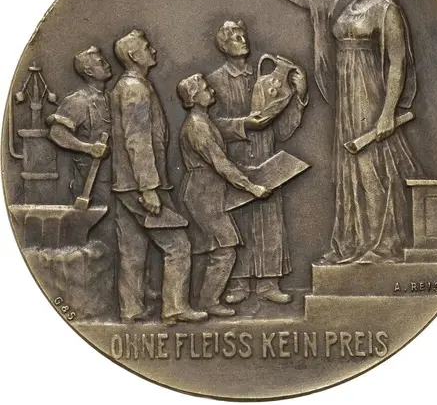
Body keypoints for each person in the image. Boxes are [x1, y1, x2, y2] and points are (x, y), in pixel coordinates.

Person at [240, 0, 421, 264]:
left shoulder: (386, 10)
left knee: (371, 165)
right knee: (351, 167)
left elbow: (397, 64)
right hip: (347, 99)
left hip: (370, 96)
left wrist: (387, 113)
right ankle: (352, 242)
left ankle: (383, 244)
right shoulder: (343, 7)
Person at [206, 20, 308, 304]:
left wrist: (299, 97)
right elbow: (209, 125)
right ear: (223, 46)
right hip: (234, 160)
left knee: (269, 220)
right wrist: (243, 125)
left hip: (267, 157)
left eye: (243, 35)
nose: (242, 40)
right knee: (238, 221)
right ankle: (238, 283)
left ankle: (268, 284)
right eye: (235, 38)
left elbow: (283, 131)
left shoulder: (266, 79)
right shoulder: (214, 81)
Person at [110, 29, 207, 324]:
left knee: (132, 249)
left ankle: (131, 309)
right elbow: (137, 140)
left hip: (125, 184)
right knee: (178, 245)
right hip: (140, 185)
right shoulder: (135, 89)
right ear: (132, 55)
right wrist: (149, 187)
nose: (153, 50)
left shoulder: (129, 86)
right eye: (146, 47)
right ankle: (175, 307)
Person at [177, 73, 272, 316]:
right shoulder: (198, 126)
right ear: (194, 98)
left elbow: (224, 131)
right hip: (202, 192)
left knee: (211, 247)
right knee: (225, 247)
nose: (212, 91)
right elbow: (220, 163)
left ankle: (201, 300)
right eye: (206, 89)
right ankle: (208, 301)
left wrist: (246, 123)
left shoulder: (204, 121)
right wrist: (251, 187)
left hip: (207, 190)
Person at [47, 45, 111, 204]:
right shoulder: (78, 101)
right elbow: (57, 133)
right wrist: (89, 148)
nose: (107, 65)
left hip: (113, 178)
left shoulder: (110, 97)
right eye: (101, 63)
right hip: (91, 183)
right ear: (89, 72)